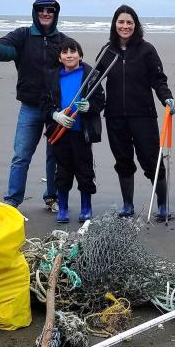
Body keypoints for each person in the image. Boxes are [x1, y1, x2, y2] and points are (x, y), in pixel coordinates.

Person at [0, 0, 68, 210]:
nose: (45, 13)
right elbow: (5, 50)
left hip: (56, 110)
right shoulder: (23, 35)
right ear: (35, 12)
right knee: (21, 156)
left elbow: (75, 66)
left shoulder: (62, 41)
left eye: (50, 10)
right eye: (41, 9)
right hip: (30, 108)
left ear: (55, 13)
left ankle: (52, 197)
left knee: (54, 155)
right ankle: (12, 201)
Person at [99, 4, 175, 221]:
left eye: (129, 22)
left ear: (136, 25)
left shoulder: (146, 50)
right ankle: (127, 205)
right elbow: (93, 81)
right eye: (121, 22)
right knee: (123, 160)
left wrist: (166, 97)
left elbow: (159, 80)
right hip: (114, 117)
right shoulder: (107, 51)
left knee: (152, 160)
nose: (125, 26)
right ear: (115, 25)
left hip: (143, 115)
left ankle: (161, 204)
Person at [41, 39, 105, 223]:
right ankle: (63, 208)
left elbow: (101, 100)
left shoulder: (90, 75)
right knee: (62, 171)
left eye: (73, 51)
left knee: (84, 170)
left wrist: (89, 106)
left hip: (82, 133)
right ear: (60, 58)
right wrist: (55, 115)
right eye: (65, 52)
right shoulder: (52, 77)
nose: (69, 55)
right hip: (60, 133)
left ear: (80, 55)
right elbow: (43, 104)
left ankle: (86, 207)